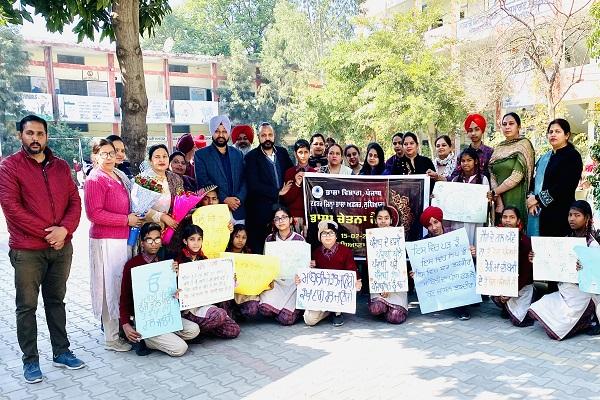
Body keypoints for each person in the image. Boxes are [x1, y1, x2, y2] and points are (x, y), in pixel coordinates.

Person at [0, 115, 84, 383]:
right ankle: (30, 361)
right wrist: (50, 234)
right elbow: (12, 209)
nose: (35, 138)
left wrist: (66, 231)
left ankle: (62, 352)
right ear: (20, 136)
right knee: (26, 306)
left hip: (62, 248)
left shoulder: (60, 166)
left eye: (40, 133)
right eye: (29, 133)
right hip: (28, 250)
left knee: (56, 301)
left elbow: (74, 201)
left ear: (47, 137)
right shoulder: (9, 167)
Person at [84, 139, 143, 352]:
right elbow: (94, 214)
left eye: (114, 152)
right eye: (105, 153)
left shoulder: (119, 175)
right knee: (109, 286)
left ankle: (122, 329)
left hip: (123, 239)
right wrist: (125, 220)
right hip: (106, 240)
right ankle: (111, 337)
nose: (110, 157)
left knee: (120, 285)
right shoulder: (95, 179)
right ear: (95, 156)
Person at [119, 223, 201, 356]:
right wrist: (125, 324)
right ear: (142, 242)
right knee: (180, 348)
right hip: (147, 320)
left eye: (157, 239)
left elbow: (174, 291)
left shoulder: (166, 260)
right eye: (149, 240)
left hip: (165, 315)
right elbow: (124, 298)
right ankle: (146, 339)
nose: (154, 243)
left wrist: (176, 281)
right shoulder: (132, 265)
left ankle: (160, 337)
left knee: (194, 330)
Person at [528, 200, 599, 340]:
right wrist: (536, 258)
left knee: (558, 328)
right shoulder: (566, 240)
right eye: (570, 215)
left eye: (577, 215)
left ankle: (586, 320)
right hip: (565, 290)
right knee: (538, 307)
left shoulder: (593, 245)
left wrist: (584, 270)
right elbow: (553, 264)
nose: (572, 218)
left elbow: (595, 279)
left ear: (587, 218)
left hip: (582, 294)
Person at [174, 224, 240, 338]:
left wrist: (230, 279)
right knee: (219, 315)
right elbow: (172, 289)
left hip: (206, 304)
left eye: (199, 239)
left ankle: (204, 329)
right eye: (192, 239)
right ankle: (195, 329)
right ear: (185, 241)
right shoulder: (178, 261)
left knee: (233, 330)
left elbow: (214, 282)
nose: (196, 243)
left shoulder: (204, 259)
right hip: (189, 309)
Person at [527, 118, 583, 237]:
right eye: (550, 132)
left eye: (557, 131)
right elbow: (534, 180)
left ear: (567, 135)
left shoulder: (572, 156)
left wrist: (537, 199)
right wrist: (532, 201)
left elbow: (565, 186)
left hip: (561, 212)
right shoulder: (545, 157)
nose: (553, 134)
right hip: (540, 212)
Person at [301, 220, 362, 327]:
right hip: (322, 295)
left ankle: (337, 312)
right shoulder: (316, 253)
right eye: (324, 233)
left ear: (336, 236)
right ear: (320, 237)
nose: (328, 236)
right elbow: (310, 277)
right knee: (309, 320)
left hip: (338, 294)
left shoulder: (345, 251)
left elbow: (351, 270)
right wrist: (309, 269)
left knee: (353, 289)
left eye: (331, 233)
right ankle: (328, 311)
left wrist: (356, 281)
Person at [244, 122, 294, 253]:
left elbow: (291, 173)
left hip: (282, 210)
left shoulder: (282, 153)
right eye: (263, 135)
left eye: (270, 135)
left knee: (283, 249)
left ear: (274, 136)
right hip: (260, 213)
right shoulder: (251, 157)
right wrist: (278, 192)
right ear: (258, 138)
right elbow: (253, 185)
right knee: (262, 250)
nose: (267, 138)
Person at [419, 206, 472, 320]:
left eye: (436, 222)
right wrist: (416, 273)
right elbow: (422, 266)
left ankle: (462, 307)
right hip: (437, 278)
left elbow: (465, 259)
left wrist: (471, 252)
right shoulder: (424, 243)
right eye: (429, 225)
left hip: (454, 276)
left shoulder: (455, 236)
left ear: (440, 220)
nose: (434, 227)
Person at [194, 115, 247, 224]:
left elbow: (245, 180)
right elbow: (204, 182)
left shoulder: (238, 154)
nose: (221, 135)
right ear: (212, 132)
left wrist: (238, 199)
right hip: (215, 210)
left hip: (238, 210)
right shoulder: (201, 155)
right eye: (217, 131)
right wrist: (225, 199)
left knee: (240, 241)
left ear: (228, 133)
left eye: (224, 131)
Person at [259, 205, 305, 325]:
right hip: (276, 282)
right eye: (277, 218)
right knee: (264, 309)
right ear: (274, 222)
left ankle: (292, 310)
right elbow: (266, 261)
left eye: (284, 217)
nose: (281, 221)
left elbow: (304, 266)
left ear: (290, 220)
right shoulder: (270, 239)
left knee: (286, 319)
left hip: (293, 283)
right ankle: (279, 309)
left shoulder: (299, 240)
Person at [490, 207, 535, 327]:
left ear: (518, 221)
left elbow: (526, 274)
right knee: (496, 295)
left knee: (518, 321)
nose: (507, 221)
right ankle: (505, 306)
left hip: (521, 286)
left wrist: (511, 292)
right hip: (503, 283)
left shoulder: (525, 241)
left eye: (512, 217)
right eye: (505, 217)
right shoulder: (494, 238)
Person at [488, 112, 535, 225]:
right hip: (499, 198)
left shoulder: (524, 144)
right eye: (504, 124)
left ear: (518, 126)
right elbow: (492, 173)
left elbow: (517, 175)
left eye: (511, 123)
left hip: (516, 195)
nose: (507, 127)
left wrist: (495, 192)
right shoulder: (499, 147)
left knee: (515, 230)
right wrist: (498, 200)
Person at [368, 206, 408, 324]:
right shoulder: (372, 238)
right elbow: (372, 265)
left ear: (391, 220)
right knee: (376, 309)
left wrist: (390, 285)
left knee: (395, 318)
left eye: (386, 218)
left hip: (396, 285)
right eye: (380, 218)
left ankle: (392, 309)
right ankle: (384, 306)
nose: (383, 221)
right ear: (376, 220)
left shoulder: (397, 236)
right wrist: (381, 286)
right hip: (379, 284)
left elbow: (399, 264)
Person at [449, 147, 490, 245]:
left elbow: (486, 202)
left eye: (469, 160)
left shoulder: (483, 180)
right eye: (463, 161)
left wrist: (489, 198)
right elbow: (450, 200)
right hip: (458, 220)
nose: (465, 163)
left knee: (474, 245)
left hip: (475, 220)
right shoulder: (455, 180)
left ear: (475, 161)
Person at [142, 144, 184, 233]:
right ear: (150, 161)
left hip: (172, 228)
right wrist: (162, 217)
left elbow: (181, 199)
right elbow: (140, 208)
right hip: (149, 229)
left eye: (165, 156)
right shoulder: (144, 179)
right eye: (157, 157)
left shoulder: (175, 178)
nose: (162, 160)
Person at [280, 139, 316, 236]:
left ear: (310, 153)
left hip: (308, 217)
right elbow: (287, 199)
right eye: (300, 152)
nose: (303, 155)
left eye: (306, 152)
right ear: (295, 153)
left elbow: (315, 199)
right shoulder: (289, 172)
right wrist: (297, 184)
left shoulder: (314, 173)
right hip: (293, 216)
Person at [449, 114, 494, 181]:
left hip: (485, 189)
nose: (473, 133)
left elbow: (493, 175)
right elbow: (454, 176)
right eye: (470, 130)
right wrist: (438, 177)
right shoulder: (462, 155)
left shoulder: (490, 153)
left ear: (482, 131)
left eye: (477, 129)